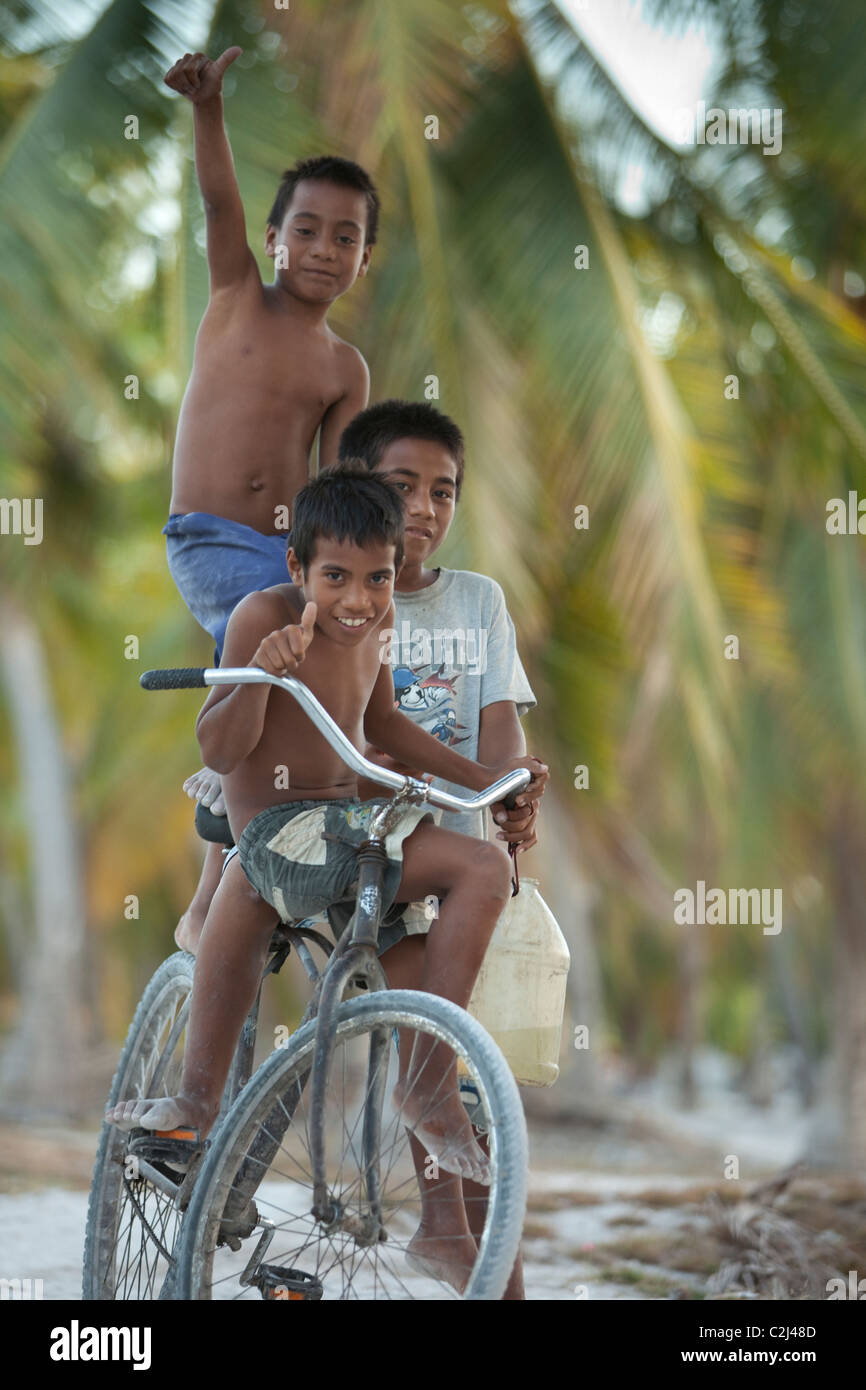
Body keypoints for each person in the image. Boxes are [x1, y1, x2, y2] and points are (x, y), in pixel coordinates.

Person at [107, 470, 548, 1289]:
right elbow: (219, 748)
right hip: (281, 834)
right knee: (246, 916)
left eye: (378, 578)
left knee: (483, 866)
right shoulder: (261, 617)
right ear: (297, 568)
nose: (358, 599)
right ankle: (198, 1105)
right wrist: (266, 672)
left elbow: (383, 727)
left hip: (352, 829)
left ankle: (427, 1064)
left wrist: (490, 779)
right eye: (336, 578)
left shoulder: (374, 634)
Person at [160, 46, 378, 943]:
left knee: (324, 646)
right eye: (309, 230)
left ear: (366, 257)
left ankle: (304, 837)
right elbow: (217, 198)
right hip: (211, 541)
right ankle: (216, 877)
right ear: (273, 239)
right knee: (262, 631)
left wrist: (374, 573)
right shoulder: (236, 295)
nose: (324, 248)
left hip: (287, 554)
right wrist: (208, 108)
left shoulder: (343, 367)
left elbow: (343, 491)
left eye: (347, 237)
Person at [340, 400, 537, 1298]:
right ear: (358, 491)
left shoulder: (480, 602)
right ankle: (445, 1227)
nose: (424, 507)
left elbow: (500, 741)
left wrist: (511, 793)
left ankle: (463, 1245)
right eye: (402, 486)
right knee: (445, 1061)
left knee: (472, 1092)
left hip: (456, 870)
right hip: (378, 864)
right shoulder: (350, 595)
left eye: (444, 491)